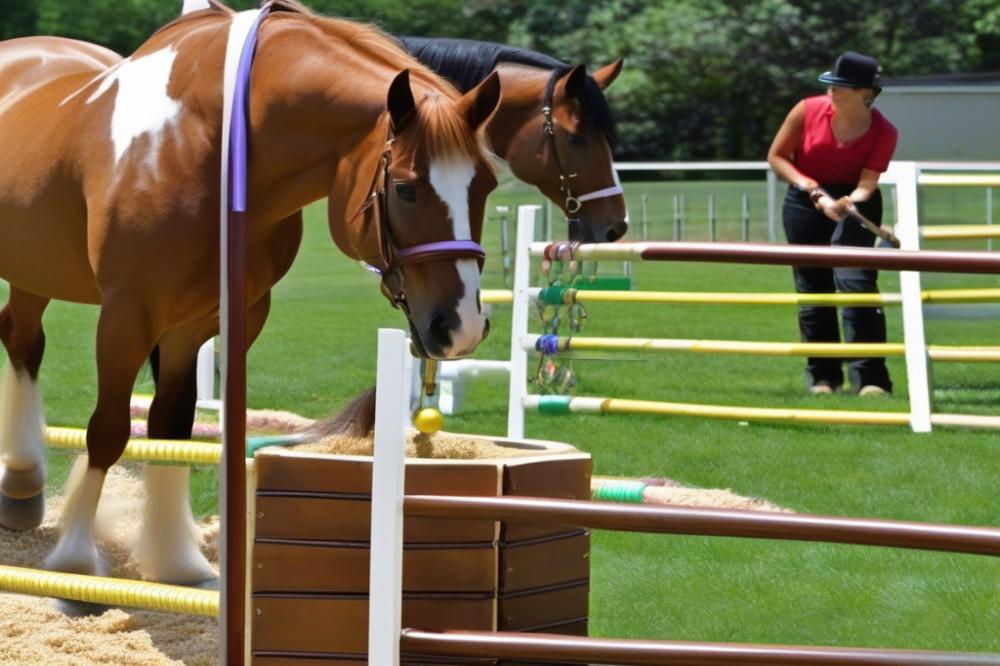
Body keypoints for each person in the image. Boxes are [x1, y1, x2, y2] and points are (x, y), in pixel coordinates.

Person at [767, 51, 898, 396]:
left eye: (841, 86)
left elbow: (868, 184)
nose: (832, 91)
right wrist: (815, 192)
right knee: (813, 289)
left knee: (857, 285)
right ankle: (823, 378)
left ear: (865, 93)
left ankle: (871, 379)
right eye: (831, 85)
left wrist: (849, 202)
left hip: (857, 202)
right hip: (804, 197)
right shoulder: (806, 110)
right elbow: (777, 157)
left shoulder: (884, 131)